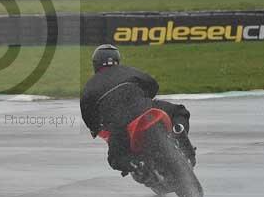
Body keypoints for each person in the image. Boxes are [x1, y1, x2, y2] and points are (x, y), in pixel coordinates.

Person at [80, 44, 196, 176]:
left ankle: (137, 164)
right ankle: (179, 133)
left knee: (115, 159)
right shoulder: (128, 70)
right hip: (145, 109)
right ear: (117, 60)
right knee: (179, 111)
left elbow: (88, 115)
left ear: (95, 63)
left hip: (119, 126)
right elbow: (152, 84)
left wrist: (96, 127)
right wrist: (145, 97)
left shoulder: (90, 86)